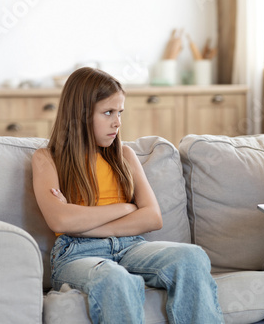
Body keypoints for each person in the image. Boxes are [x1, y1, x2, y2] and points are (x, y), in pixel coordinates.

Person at [32, 67, 224, 324]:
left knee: (192, 257)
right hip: (76, 254)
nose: (117, 122)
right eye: (108, 112)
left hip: (131, 246)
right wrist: (125, 208)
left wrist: (84, 225)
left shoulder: (125, 156)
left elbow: (153, 218)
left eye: (120, 112)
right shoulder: (47, 158)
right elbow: (60, 222)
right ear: (80, 114)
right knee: (115, 277)